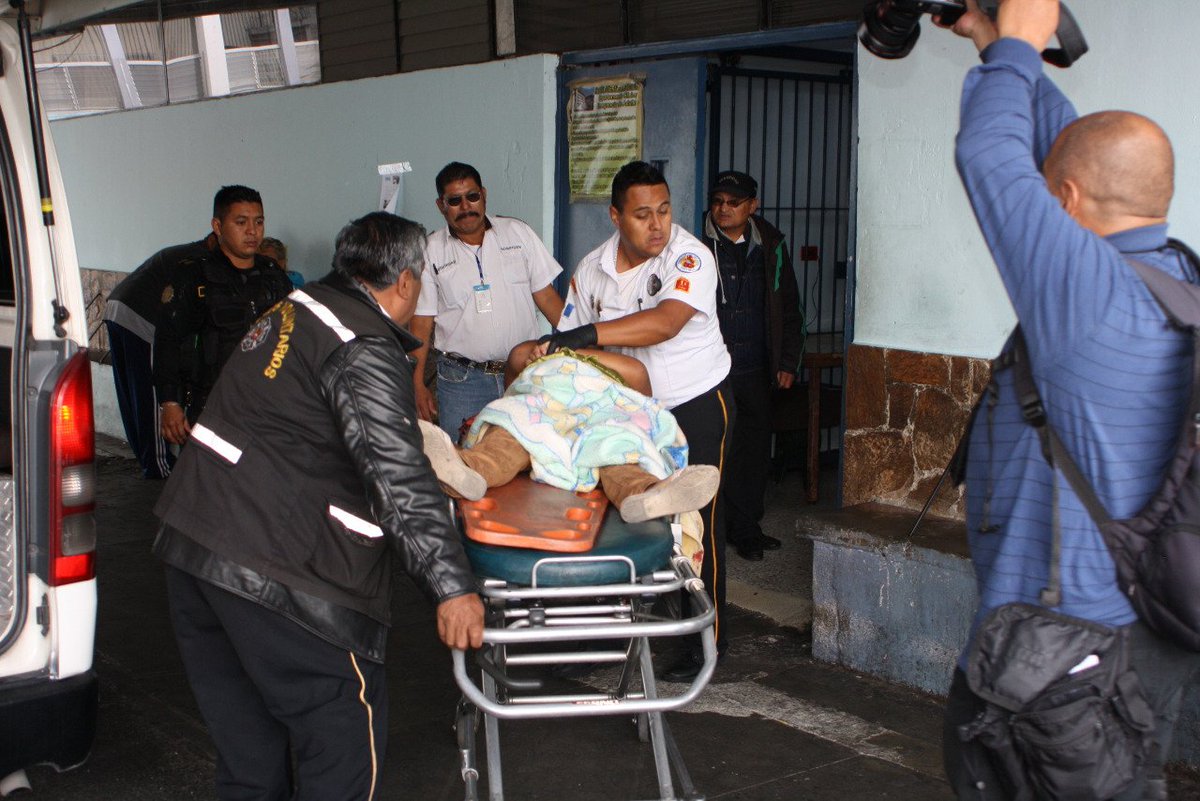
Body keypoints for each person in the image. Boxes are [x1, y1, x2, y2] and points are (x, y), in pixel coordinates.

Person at [938, 2, 1200, 799]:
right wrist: (991, 40)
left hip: (1058, 660)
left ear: (1066, 199)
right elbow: (1074, 153)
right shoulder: (1173, 277)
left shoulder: (1088, 293)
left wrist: (1021, 41)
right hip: (1140, 637)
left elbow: (988, 153)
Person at [152, 211, 484, 801]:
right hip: (281, 574)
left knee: (250, 763)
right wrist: (453, 587)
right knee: (343, 743)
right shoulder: (361, 344)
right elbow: (397, 478)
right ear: (406, 281)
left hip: (198, 549)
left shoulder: (296, 309)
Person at [540, 161, 734, 682]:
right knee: (621, 517)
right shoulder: (592, 268)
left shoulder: (690, 256)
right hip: (628, 413)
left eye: (664, 210)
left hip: (694, 402)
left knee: (696, 520)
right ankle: (612, 630)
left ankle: (704, 640)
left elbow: (665, 323)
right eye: (643, 214)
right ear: (615, 216)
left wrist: (589, 335)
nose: (657, 224)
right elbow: (568, 338)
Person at [420, 342, 720, 525]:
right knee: (512, 428)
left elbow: (640, 409)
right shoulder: (530, 353)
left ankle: (647, 495)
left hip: (601, 419)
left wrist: (574, 351)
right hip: (541, 414)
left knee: (621, 447)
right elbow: (514, 391)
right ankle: (467, 471)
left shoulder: (620, 367)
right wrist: (545, 357)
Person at [409, 161, 565, 439]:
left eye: (472, 196)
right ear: (441, 205)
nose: (465, 207)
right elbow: (421, 324)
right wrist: (417, 383)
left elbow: (548, 299)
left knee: (527, 451)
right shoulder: (430, 251)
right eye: (454, 201)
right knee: (466, 457)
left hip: (524, 373)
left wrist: (583, 345)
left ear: (484, 195)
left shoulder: (517, 233)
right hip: (463, 382)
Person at [700, 170, 804, 561]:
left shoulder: (771, 245)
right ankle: (710, 527)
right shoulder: (696, 248)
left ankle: (746, 529)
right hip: (710, 371)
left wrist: (787, 360)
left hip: (756, 368)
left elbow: (789, 306)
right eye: (718, 201)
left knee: (754, 450)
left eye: (733, 202)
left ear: (752, 206)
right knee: (715, 448)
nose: (723, 209)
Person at [153, 185, 293, 445]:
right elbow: (168, 340)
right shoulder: (195, 276)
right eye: (241, 222)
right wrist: (169, 402)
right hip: (212, 407)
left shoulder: (273, 276)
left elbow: (292, 335)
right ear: (218, 226)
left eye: (258, 222)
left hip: (267, 406)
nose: (252, 231)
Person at [102, 233, 216, 478]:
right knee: (150, 393)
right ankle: (158, 465)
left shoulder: (185, 252)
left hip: (117, 310)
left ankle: (147, 457)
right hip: (142, 319)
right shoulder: (200, 262)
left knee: (132, 392)